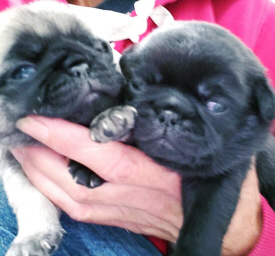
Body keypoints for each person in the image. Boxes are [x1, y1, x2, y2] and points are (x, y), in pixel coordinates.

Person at [1, 0, 275, 255]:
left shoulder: (252, 14)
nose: (79, 70)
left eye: (97, 49)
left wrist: (248, 236)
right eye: (23, 72)